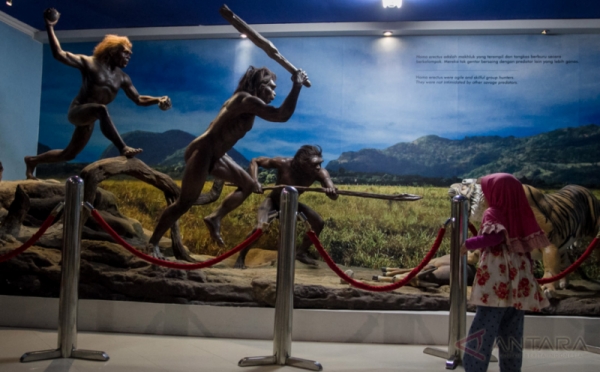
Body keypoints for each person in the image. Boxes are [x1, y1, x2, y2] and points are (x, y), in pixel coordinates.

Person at [147, 66, 309, 258]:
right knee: (184, 203)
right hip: (202, 152)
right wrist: (297, 85)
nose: (274, 93)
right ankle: (152, 243)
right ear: (259, 85)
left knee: (248, 184)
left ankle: (215, 218)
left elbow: (280, 114)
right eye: (271, 88)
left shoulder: (250, 105)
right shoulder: (244, 99)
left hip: (217, 155)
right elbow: (281, 115)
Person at [24, 8, 172, 180]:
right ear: (112, 51)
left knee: (69, 154)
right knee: (101, 109)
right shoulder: (90, 63)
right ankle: (123, 147)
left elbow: (138, 99)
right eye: (125, 53)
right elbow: (59, 54)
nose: (128, 57)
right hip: (78, 111)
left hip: (91, 118)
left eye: (129, 55)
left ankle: (32, 161)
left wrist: (157, 99)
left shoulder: (122, 77)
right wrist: (49, 27)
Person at [460, 173, 550, 372]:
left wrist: (467, 244)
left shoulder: (493, 212)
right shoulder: (522, 213)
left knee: (483, 330)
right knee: (512, 332)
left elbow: (493, 238)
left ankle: (474, 368)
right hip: (520, 282)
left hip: (497, 280)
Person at [233, 145, 338, 268]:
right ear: (302, 163)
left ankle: (300, 253)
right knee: (260, 228)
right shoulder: (284, 163)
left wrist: (331, 190)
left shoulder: (320, 173)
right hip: (273, 201)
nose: (318, 167)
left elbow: (333, 193)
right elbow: (255, 161)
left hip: (292, 204)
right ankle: (241, 257)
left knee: (318, 223)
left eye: (320, 163)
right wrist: (255, 181)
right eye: (314, 164)